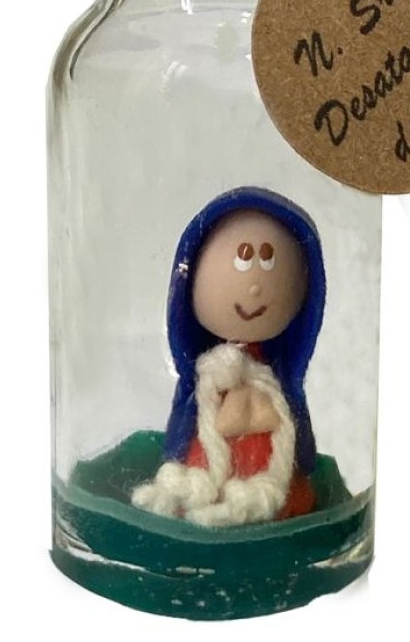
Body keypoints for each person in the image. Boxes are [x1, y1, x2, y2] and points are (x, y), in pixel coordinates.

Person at [131, 187, 326, 526]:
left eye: (268, 261)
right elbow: (185, 421)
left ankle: (267, 500)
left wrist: (301, 461)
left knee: (270, 482)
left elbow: (296, 429)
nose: (255, 287)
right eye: (243, 259)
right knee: (206, 473)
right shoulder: (207, 374)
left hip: (269, 461)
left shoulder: (276, 379)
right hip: (210, 458)